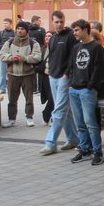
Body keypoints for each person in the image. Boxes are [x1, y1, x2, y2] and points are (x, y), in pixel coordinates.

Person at [67, 20, 104, 166]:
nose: (74, 33)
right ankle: (84, 149)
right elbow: (71, 66)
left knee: (91, 123)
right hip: (75, 89)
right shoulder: (76, 47)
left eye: (77, 30)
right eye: (73, 30)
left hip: (87, 90)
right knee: (80, 123)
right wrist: (71, 84)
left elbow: (98, 69)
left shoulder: (96, 47)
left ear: (85, 30)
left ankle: (98, 152)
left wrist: (90, 86)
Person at [39, 11, 79, 155]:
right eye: (56, 22)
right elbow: (52, 57)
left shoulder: (70, 37)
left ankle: (50, 143)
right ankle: (73, 138)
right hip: (53, 76)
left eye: (61, 21)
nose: (59, 24)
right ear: (52, 22)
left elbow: (72, 58)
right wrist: (50, 73)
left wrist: (66, 74)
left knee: (59, 111)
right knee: (63, 110)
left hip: (64, 77)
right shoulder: (54, 38)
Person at [0, 21, 42, 128]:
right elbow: (2, 55)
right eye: (18, 28)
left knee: (29, 98)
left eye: (22, 29)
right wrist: (11, 57)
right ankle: (11, 119)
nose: (19, 31)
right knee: (12, 99)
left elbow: (38, 57)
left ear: (26, 31)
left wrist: (25, 58)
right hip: (12, 74)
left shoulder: (33, 43)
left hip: (28, 74)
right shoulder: (9, 42)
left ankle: (29, 117)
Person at [0, 18, 15, 94]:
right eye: (4, 23)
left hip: (11, 55)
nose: (5, 24)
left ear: (10, 24)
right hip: (2, 55)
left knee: (11, 73)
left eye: (6, 23)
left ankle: (11, 88)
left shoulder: (14, 33)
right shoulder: (0, 33)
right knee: (2, 74)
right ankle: (2, 88)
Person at [39, 31, 55, 124]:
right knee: (50, 97)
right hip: (44, 76)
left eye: (49, 36)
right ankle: (48, 115)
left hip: (54, 76)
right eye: (46, 36)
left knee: (52, 97)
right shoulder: (43, 48)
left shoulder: (56, 48)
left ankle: (47, 115)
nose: (47, 37)